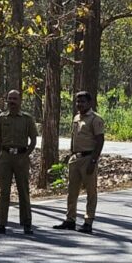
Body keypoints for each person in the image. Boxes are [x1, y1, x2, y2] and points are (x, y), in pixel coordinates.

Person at [53, 91, 104, 234]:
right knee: (72, 191)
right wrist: (70, 154)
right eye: (77, 102)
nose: (79, 104)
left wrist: (93, 161)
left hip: (88, 158)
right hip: (75, 158)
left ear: (89, 103)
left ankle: (88, 222)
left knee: (90, 192)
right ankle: (70, 219)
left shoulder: (95, 119)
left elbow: (100, 140)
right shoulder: (76, 118)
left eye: (82, 102)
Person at [0, 90, 37, 235]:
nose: (12, 101)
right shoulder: (2, 118)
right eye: (9, 98)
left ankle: (27, 224)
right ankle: (1, 224)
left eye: (14, 99)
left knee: (23, 191)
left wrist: (26, 155)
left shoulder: (27, 119)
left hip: (21, 158)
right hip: (5, 157)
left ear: (20, 100)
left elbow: (33, 140)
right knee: (4, 192)